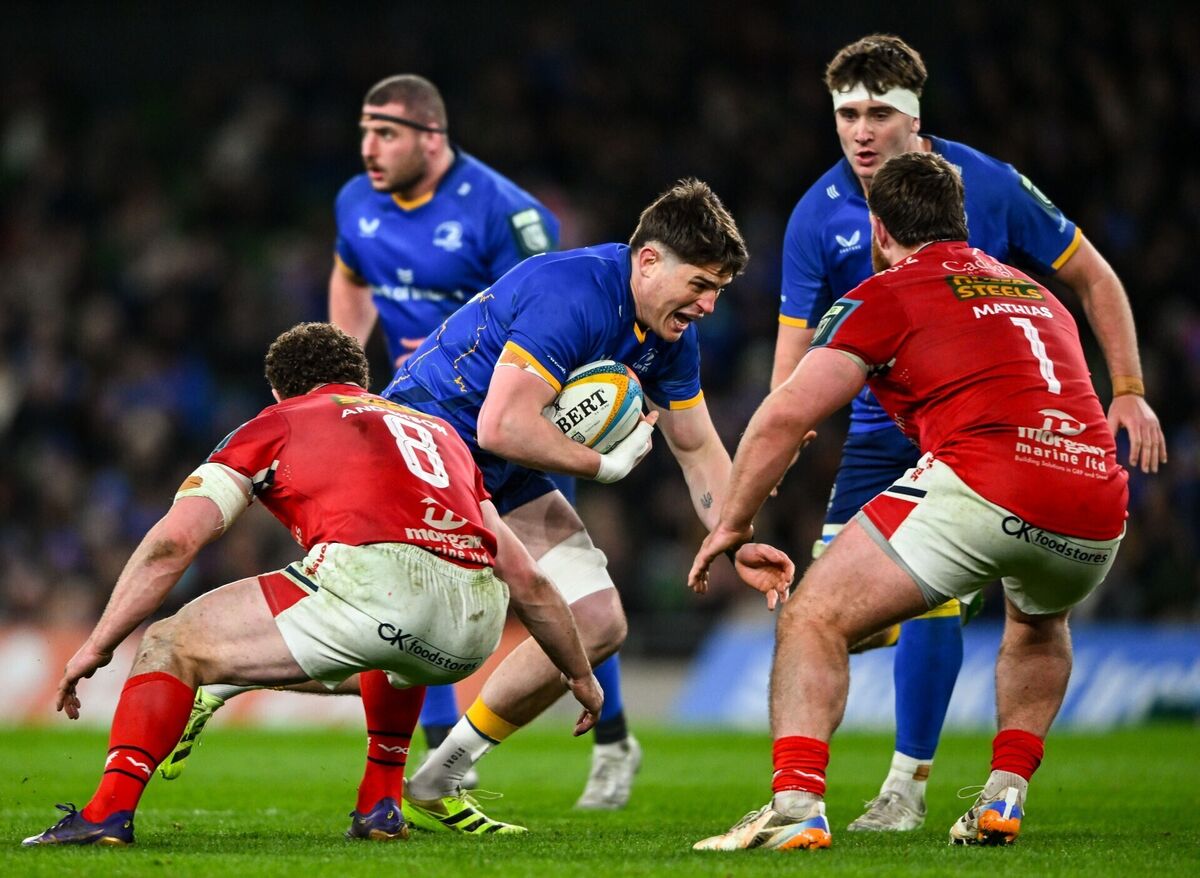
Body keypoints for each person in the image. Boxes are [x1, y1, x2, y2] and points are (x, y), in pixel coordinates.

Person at [160, 74, 640, 810]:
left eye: (385, 133)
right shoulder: (356, 202)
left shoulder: (509, 215)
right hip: (422, 421)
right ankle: (449, 765)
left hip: (503, 428)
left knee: (562, 600)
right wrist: (338, 386)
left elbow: (546, 312)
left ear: (433, 138)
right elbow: (349, 278)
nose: (368, 149)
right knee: (417, 600)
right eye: (363, 132)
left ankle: (609, 740)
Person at [768, 34, 1167, 832]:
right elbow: (794, 347)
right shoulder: (816, 215)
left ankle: (904, 789)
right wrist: (785, 437)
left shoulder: (985, 182)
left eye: (880, 112)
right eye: (847, 113)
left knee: (932, 599)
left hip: (985, 426)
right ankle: (940, 778)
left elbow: (1094, 275)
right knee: (832, 610)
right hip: (883, 428)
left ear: (916, 119)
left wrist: (1129, 391)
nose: (861, 131)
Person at [690, 152, 1137, 851]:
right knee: (1039, 629)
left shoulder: (888, 292)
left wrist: (733, 523)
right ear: (961, 221)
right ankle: (1004, 796)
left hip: (992, 479)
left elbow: (785, 416)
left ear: (879, 229)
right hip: (1097, 502)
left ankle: (797, 804)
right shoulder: (1036, 293)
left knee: (814, 616)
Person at [22, 322, 601, 847]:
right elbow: (526, 577)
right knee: (393, 654)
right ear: (361, 382)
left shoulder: (277, 422)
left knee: (169, 643)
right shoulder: (441, 435)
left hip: (376, 582)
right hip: (475, 619)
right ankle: (380, 806)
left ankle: (106, 813)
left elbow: (173, 545)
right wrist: (579, 673)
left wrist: (97, 646)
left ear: (281, 392)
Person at [383, 177, 758, 834]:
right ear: (648, 261)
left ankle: (442, 772)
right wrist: (600, 464)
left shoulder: (671, 335)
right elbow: (501, 423)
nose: (707, 305)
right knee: (394, 636)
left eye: (718, 291)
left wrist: (736, 533)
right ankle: (222, 673)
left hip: (503, 470)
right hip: (427, 449)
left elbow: (696, 445)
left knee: (598, 620)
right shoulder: (572, 293)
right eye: (699, 285)